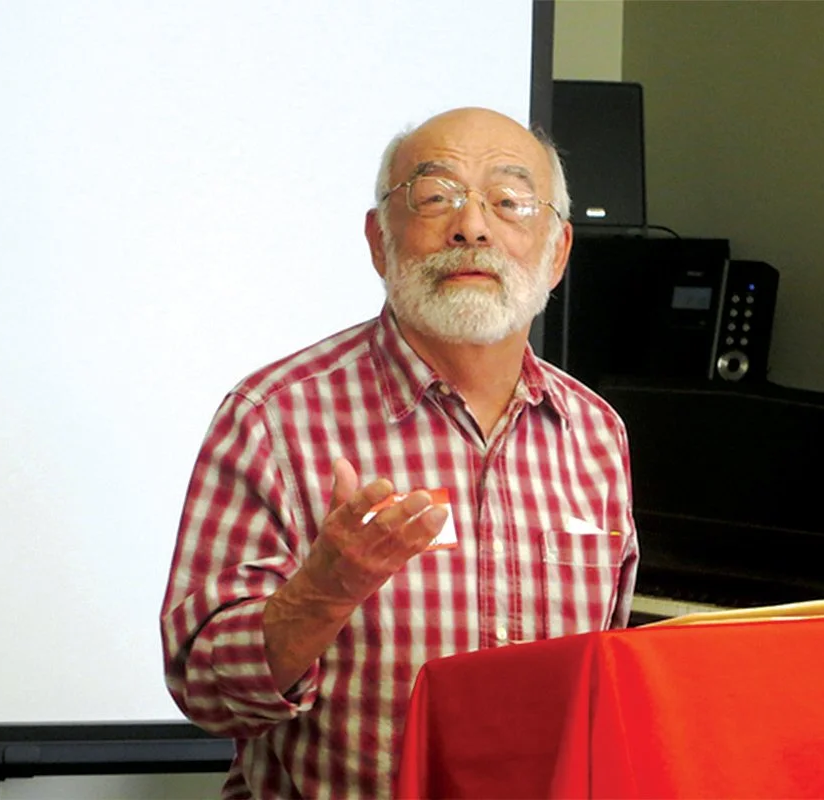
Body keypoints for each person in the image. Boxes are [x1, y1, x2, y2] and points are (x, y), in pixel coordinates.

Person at [161, 106, 639, 799]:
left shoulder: (594, 434)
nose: (471, 227)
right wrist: (323, 591)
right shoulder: (273, 417)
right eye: (435, 196)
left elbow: (602, 686)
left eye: (508, 202)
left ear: (557, 251)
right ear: (379, 243)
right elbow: (204, 692)